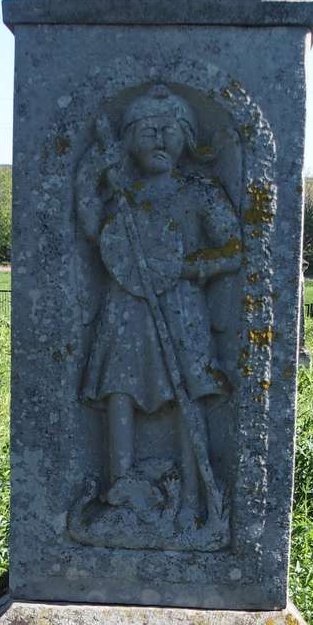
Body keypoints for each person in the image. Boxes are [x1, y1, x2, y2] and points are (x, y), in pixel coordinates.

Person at [74, 85, 241, 542]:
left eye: (170, 131)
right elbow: (93, 231)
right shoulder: (123, 194)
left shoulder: (198, 190)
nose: (160, 141)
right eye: (148, 131)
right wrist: (91, 176)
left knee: (189, 394)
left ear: (188, 138)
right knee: (119, 389)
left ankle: (191, 500)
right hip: (126, 306)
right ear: (129, 139)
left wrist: (184, 267)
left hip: (182, 306)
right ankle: (121, 488)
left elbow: (233, 247)